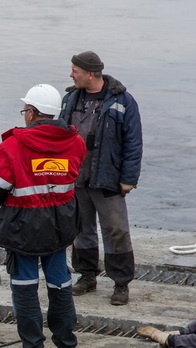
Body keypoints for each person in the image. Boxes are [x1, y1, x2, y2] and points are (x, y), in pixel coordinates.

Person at [0, 84, 86, 348]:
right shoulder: (75, 142)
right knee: (61, 285)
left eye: (25, 109)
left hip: (23, 229)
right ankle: (66, 347)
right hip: (60, 227)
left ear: (32, 113)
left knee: (25, 288)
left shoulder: (14, 145)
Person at [59, 51, 142, 306]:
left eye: (75, 71)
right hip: (77, 177)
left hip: (108, 179)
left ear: (91, 74)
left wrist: (128, 179)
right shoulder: (70, 99)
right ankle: (87, 275)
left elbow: (133, 143)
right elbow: (60, 137)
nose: (71, 75)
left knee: (116, 231)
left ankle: (121, 283)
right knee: (81, 230)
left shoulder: (123, 101)